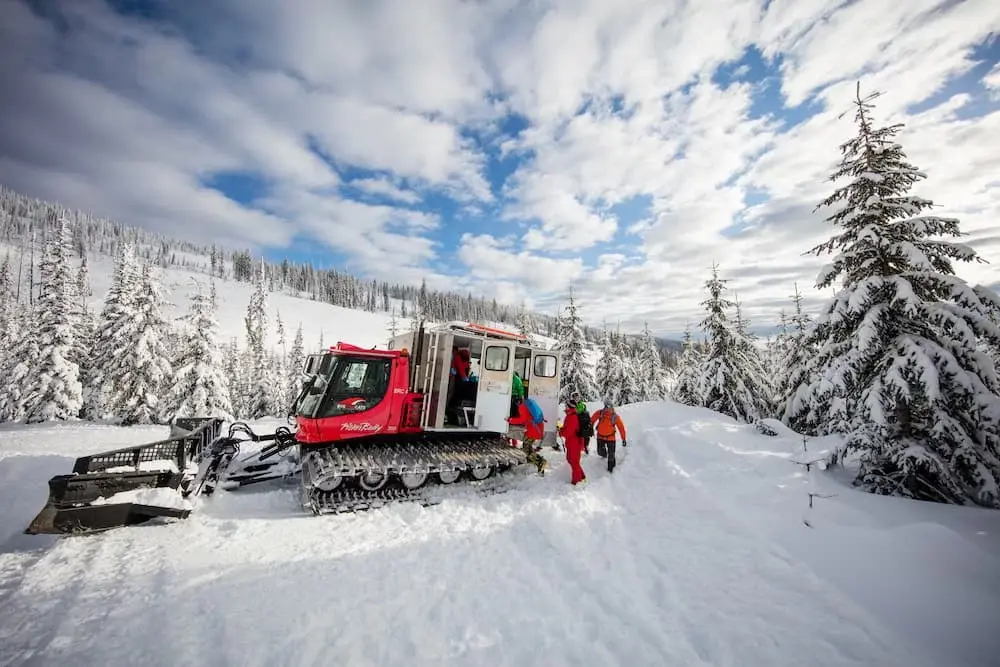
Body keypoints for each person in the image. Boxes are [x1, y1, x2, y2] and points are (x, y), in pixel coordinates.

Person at [506, 398, 548, 474]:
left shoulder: (522, 407)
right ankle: (536, 461)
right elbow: (528, 418)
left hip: (533, 430)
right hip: (536, 428)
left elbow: (522, 419)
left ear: (517, 403)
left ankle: (540, 462)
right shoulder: (527, 404)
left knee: (526, 449)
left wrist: (510, 420)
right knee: (527, 447)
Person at [591, 399, 627, 473]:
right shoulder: (600, 413)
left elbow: (621, 428)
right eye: (606, 406)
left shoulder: (615, 417)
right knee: (600, 452)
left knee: (611, 455)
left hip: (611, 437)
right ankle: (604, 455)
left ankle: (611, 470)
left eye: (609, 406)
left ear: (611, 406)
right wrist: (589, 429)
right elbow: (592, 420)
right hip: (600, 436)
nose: (607, 408)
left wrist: (623, 439)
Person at [558, 400, 587, 485]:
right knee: (570, 460)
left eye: (566, 406)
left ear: (570, 407)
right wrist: (561, 429)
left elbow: (568, 431)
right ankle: (581, 476)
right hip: (571, 443)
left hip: (575, 443)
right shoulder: (569, 415)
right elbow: (567, 428)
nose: (565, 407)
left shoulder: (572, 417)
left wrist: (561, 432)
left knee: (574, 462)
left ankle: (577, 482)